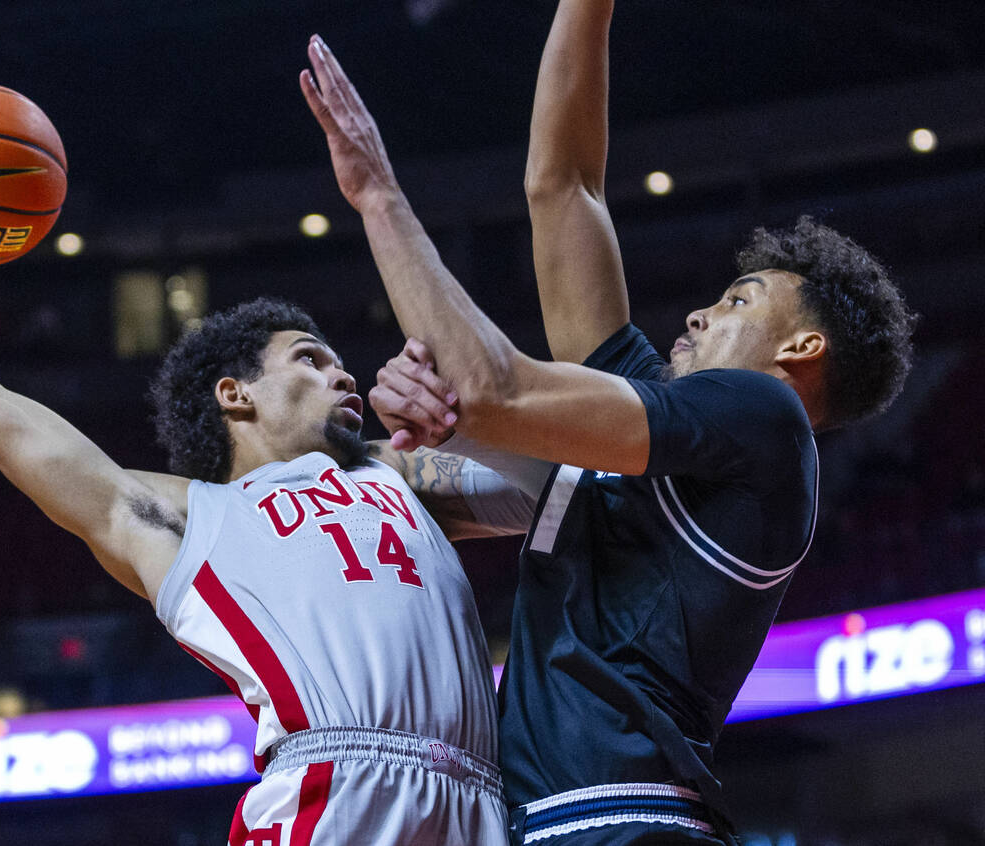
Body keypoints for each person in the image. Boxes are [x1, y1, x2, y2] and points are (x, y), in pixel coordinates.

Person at [300, 8, 916, 842]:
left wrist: (379, 198)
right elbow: (564, 188)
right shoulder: (657, 420)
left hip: (625, 820)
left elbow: (495, 386)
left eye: (739, 301)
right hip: (562, 822)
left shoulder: (768, 422)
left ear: (802, 349)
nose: (700, 312)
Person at [0, 149, 528, 845]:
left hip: (480, 800)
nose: (345, 375)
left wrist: (472, 420)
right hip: (333, 793)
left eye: (340, 363)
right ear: (235, 394)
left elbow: (558, 483)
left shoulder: (402, 476)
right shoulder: (187, 517)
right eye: (310, 358)